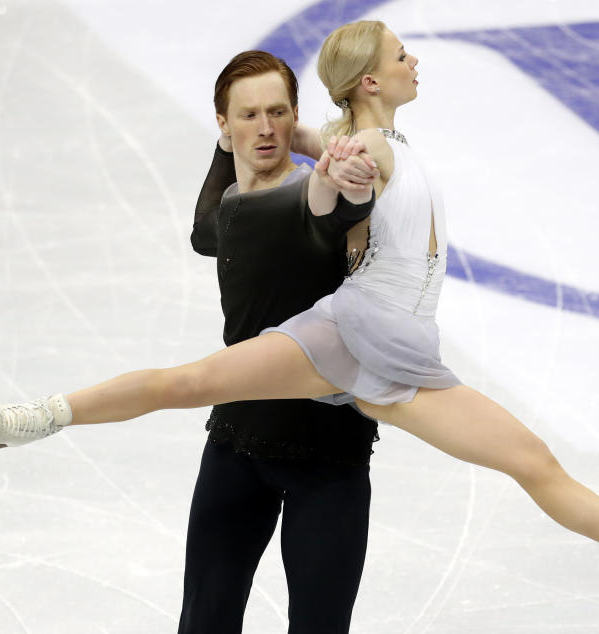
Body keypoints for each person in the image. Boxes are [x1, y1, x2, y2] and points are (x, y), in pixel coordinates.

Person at [0, 20, 599, 629]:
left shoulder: (371, 134)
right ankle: (43, 415)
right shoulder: (370, 150)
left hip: (410, 355)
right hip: (349, 334)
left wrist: (317, 144)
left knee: (531, 460)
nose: (414, 61)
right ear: (372, 82)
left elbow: (316, 137)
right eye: (401, 55)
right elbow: (341, 176)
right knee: (195, 382)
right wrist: (334, 182)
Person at [179, 51, 380, 634]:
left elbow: (336, 213)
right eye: (247, 116)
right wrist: (230, 154)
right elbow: (204, 233)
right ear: (223, 123)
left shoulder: (308, 196)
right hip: (237, 444)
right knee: (203, 622)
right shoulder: (235, 209)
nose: (265, 129)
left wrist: (335, 163)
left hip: (328, 455)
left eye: (278, 112)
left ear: (296, 116)